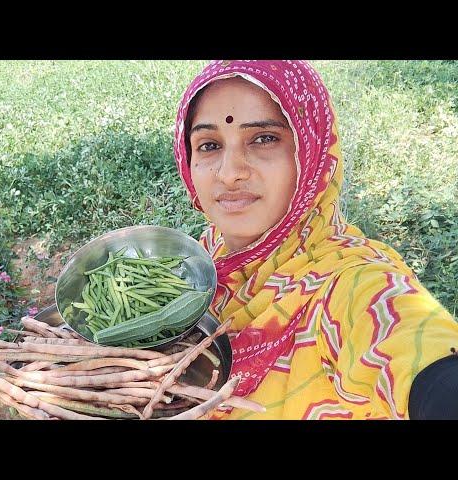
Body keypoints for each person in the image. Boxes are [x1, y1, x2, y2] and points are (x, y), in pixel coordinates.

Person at [173, 60, 458, 419]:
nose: (229, 174)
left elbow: (414, 348)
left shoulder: (351, 286)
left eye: (264, 138)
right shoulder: (210, 253)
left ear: (312, 154)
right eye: (209, 145)